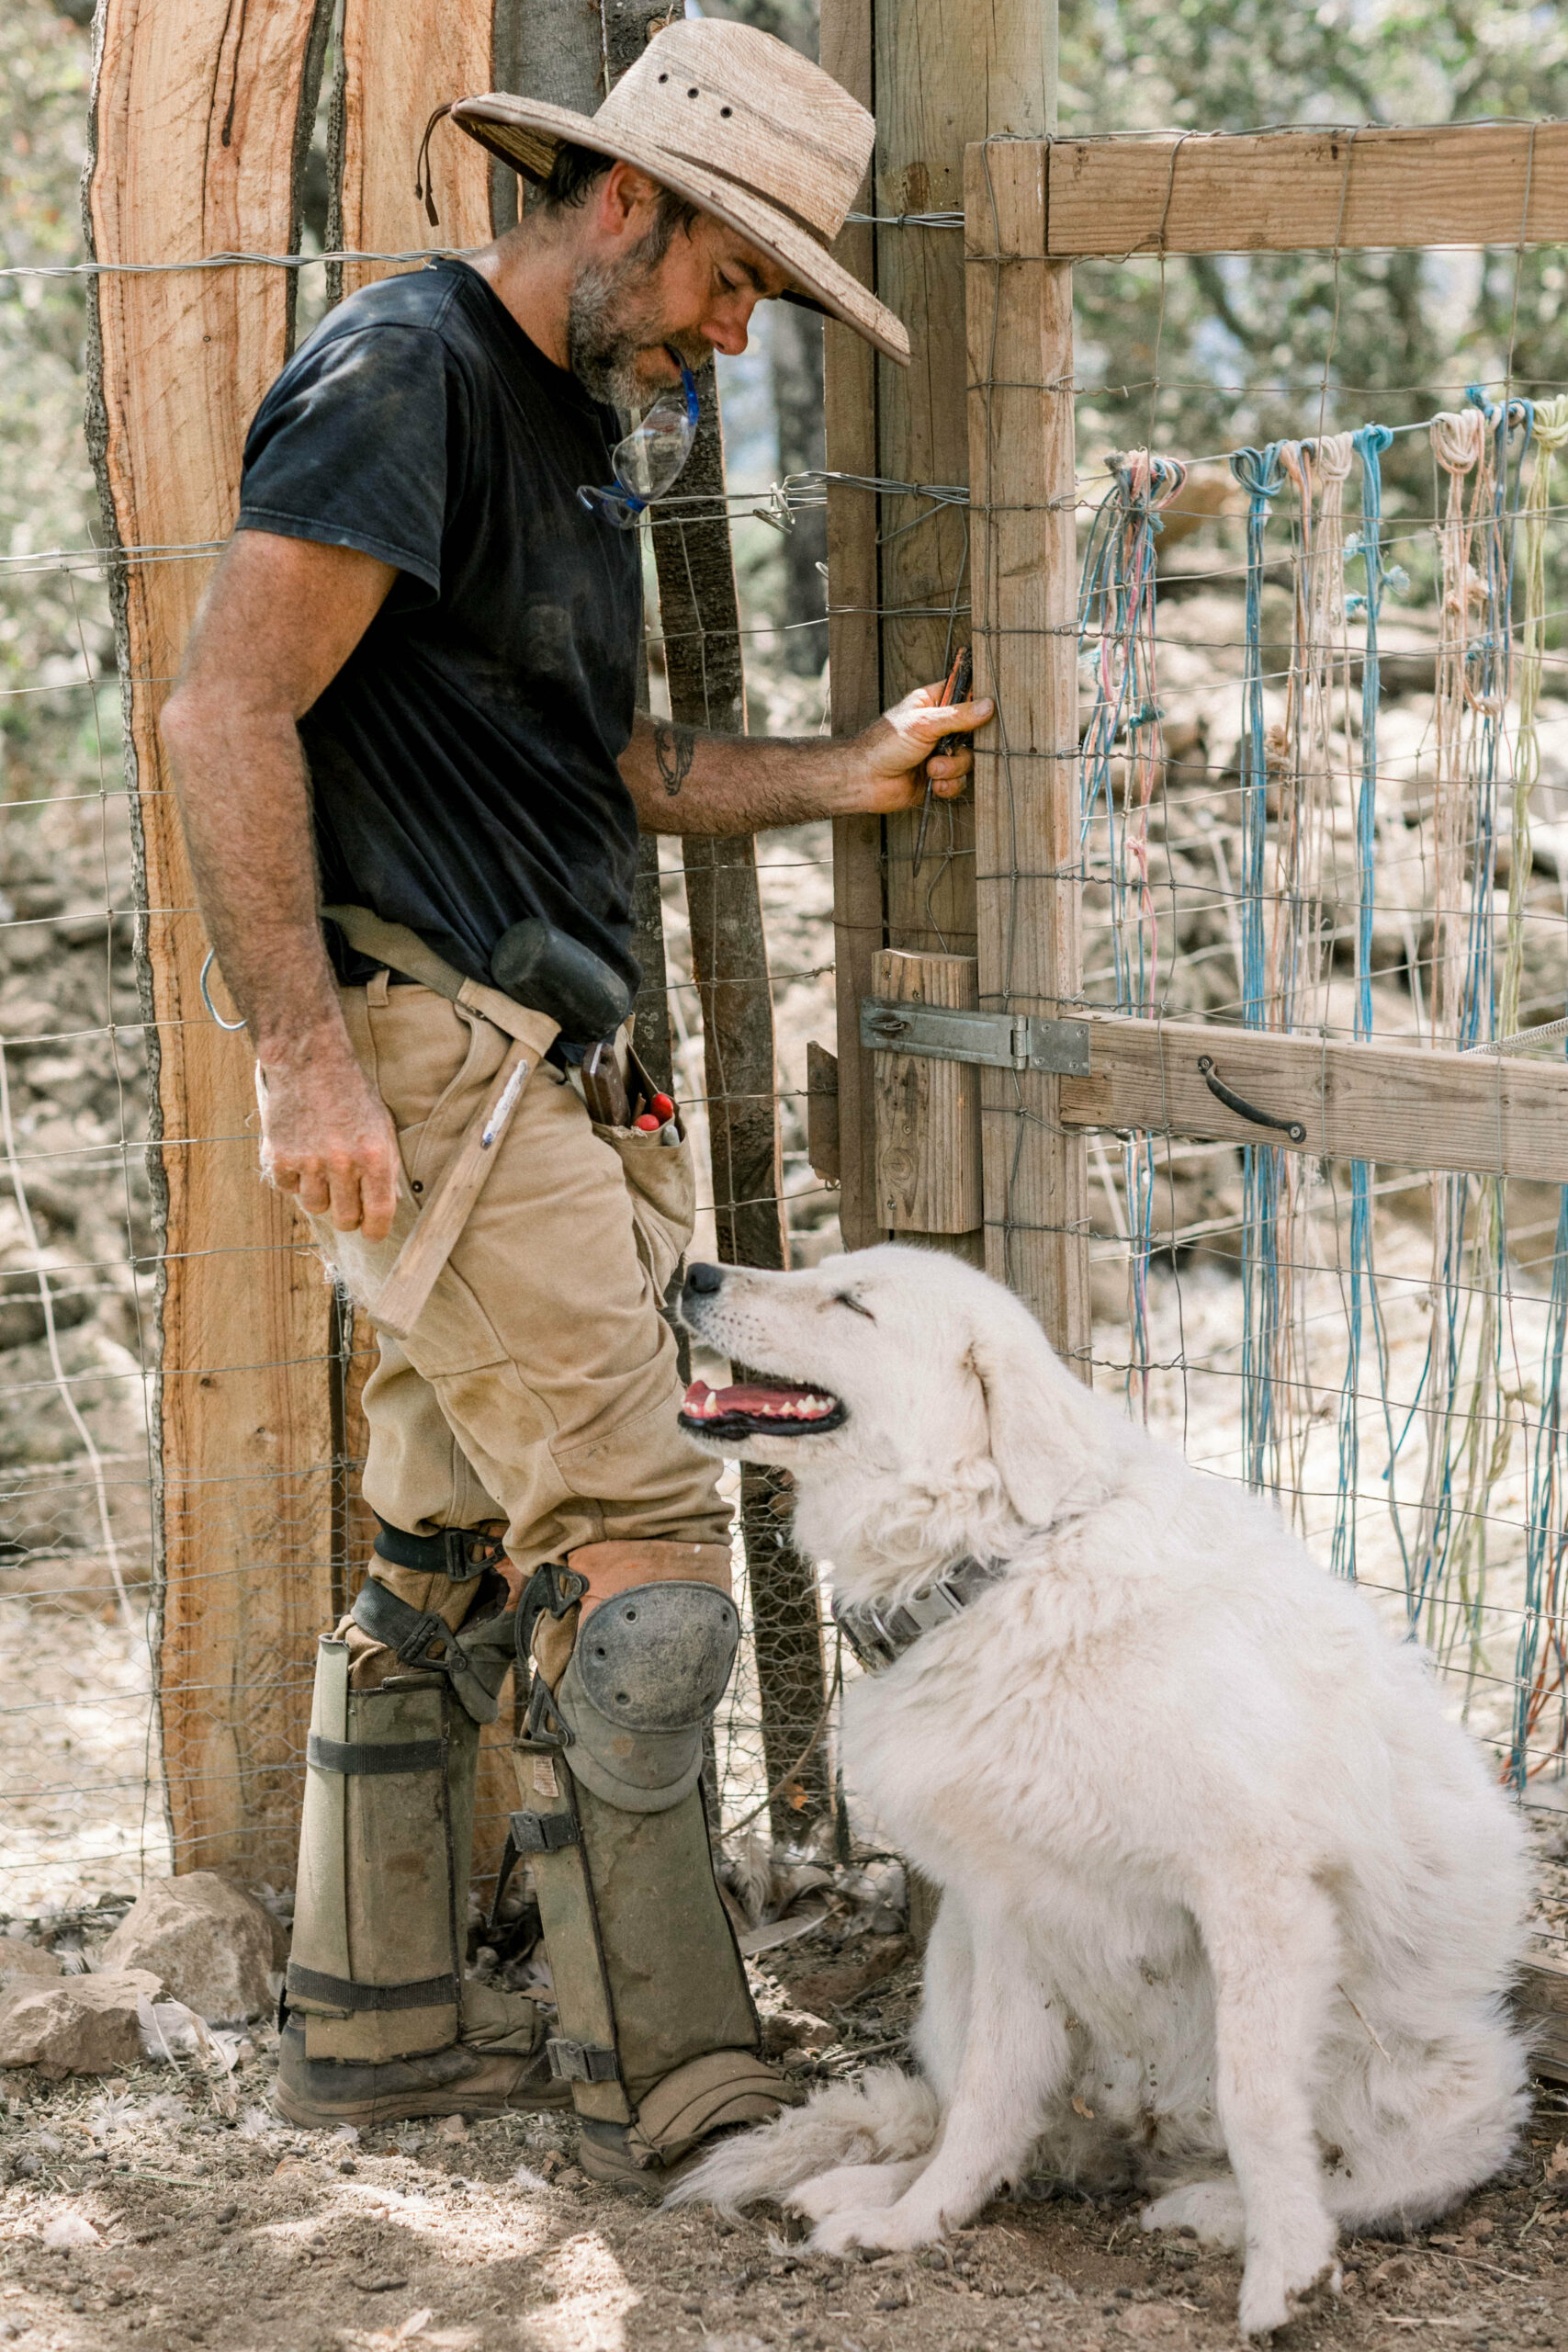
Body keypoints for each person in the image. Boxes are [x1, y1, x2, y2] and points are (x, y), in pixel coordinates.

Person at [158, 16, 988, 2186]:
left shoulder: (568, 427)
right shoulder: (406, 372)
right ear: (626, 200)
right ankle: (691, 2079)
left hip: (544, 1064)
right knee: (643, 1546)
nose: (734, 331)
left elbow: (597, 769)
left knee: (441, 1534)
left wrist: (842, 771)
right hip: (434, 1052)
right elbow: (223, 709)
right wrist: (306, 1055)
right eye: (735, 278)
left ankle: (377, 2024)